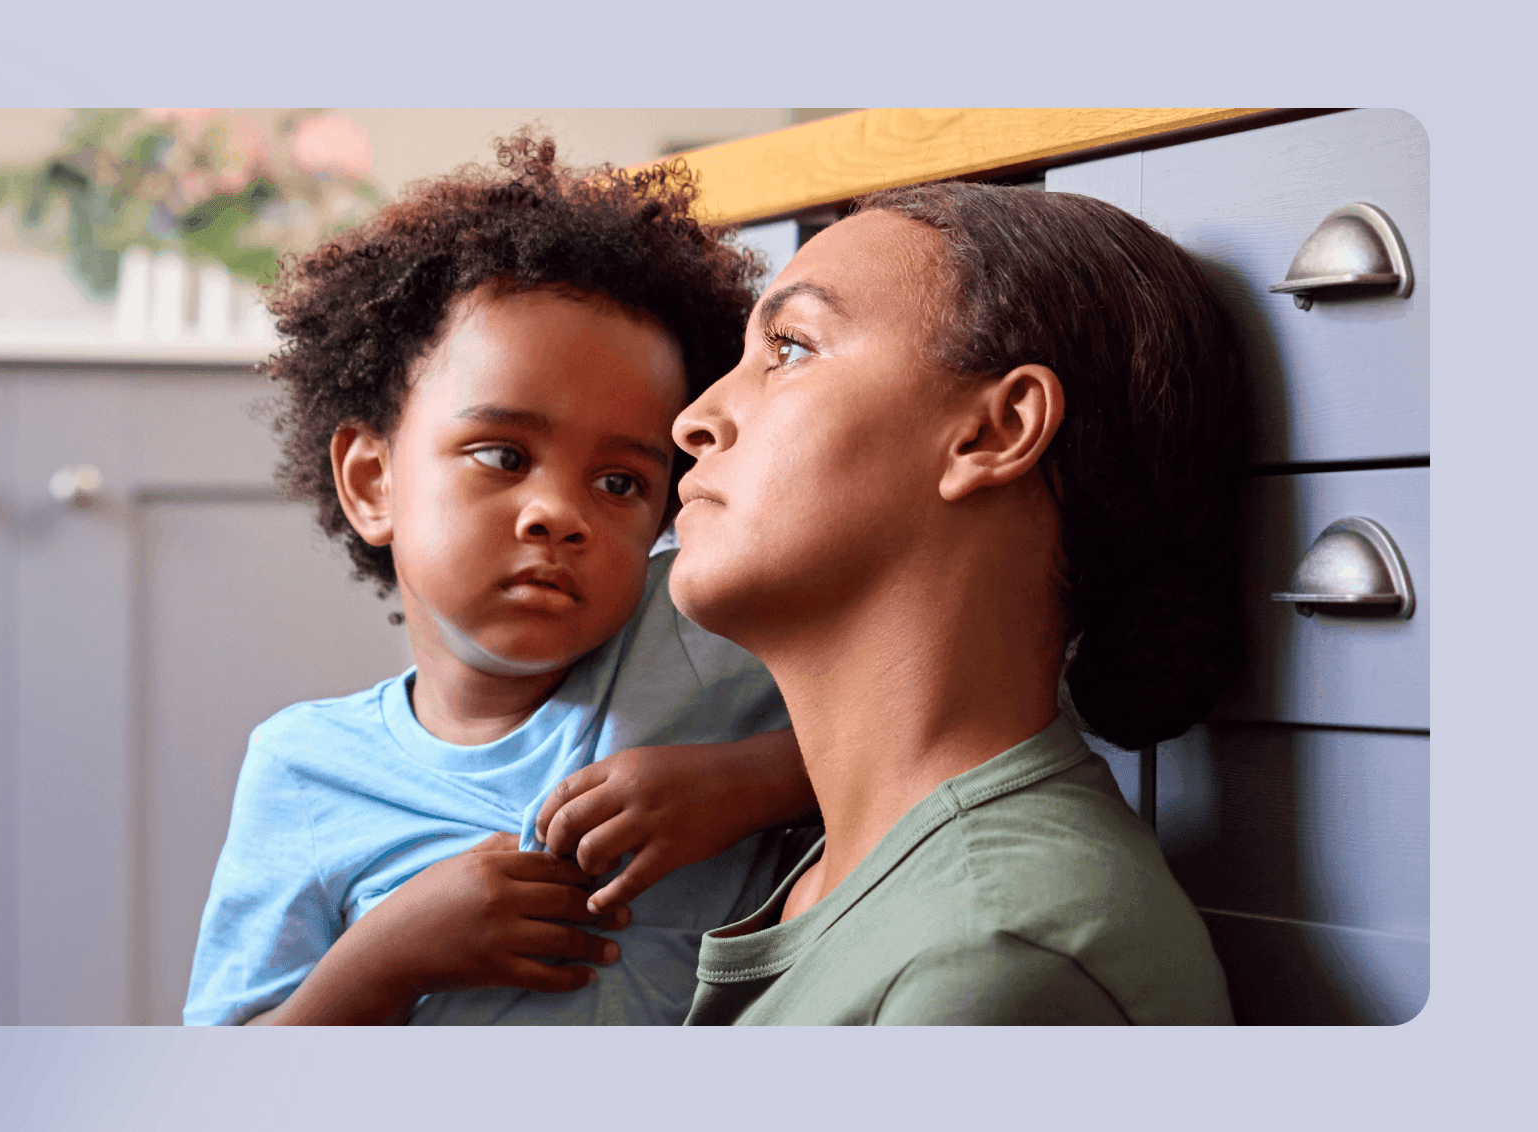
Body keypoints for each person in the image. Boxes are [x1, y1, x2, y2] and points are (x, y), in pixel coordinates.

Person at [182, 135, 821, 1026]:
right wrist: (387, 956)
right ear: (373, 482)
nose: (557, 513)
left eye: (620, 483)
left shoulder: (700, 635)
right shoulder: (305, 772)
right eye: (501, 454)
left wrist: (747, 785)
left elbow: (931, 742)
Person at [671, 182, 1239, 1025]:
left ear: (995, 431)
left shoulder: (989, 960)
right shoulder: (847, 880)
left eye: (788, 349)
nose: (695, 419)